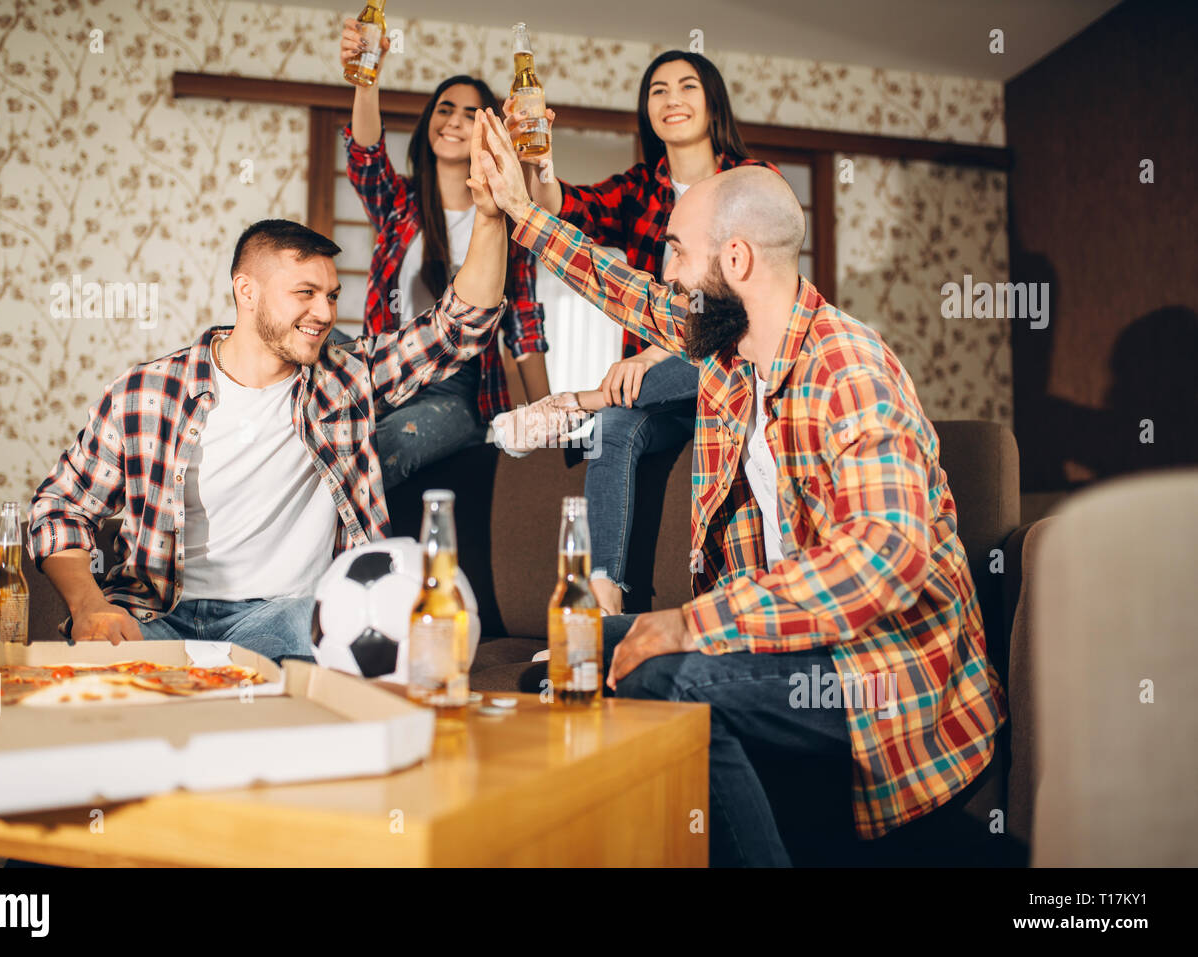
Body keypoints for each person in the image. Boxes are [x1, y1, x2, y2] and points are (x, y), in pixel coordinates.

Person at [472, 107, 1007, 866]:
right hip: (792, 646)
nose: (665, 270)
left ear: (737, 258)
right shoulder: (730, 349)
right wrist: (522, 212)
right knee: (574, 649)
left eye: (677, 251)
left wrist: (694, 624)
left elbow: (886, 557)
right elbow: (621, 287)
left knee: (665, 674)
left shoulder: (847, 367)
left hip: (876, 673)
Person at [28, 130, 509, 661]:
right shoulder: (146, 393)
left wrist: (489, 217)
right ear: (246, 291)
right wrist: (90, 605)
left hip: (279, 616)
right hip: (157, 616)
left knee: (317, 625)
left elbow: (460, 324)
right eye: (304, 294)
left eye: (330, 296)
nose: (325, 313)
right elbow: (59, 509)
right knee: (96, 677)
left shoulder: (345, 379)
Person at [495, 51, 777, 616]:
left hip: (730, 366)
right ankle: (603, 601)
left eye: (687, 86)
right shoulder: (641, 186)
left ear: (712, 100)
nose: (672, 99)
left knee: (683, 366)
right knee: (612, 428)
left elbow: (746, 309)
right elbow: (562, 210)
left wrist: (650, 356)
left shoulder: (751, 182)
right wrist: (539, 160)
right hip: (658, 387)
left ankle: (571, 405)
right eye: (658, 91)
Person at [339, 19, 549, 490]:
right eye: (445, 109)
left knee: (386, 445)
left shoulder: (506, 223)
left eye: (472, 114)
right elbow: (365, 157)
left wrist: (547, 424)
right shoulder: (399, 207)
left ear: (490, 130)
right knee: (316, 346)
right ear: (428, 121)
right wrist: (365, 78)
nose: (455, 121)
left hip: (458, 389)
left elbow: (525, 329)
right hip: (384, 368)